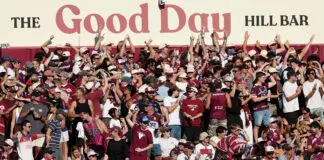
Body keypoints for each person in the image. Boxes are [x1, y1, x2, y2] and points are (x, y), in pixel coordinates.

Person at [19, 90, 49, 159]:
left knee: (38, 150)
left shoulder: (44, 107)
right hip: (29, 133)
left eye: (39, 95)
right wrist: (29, 111)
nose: (39, 97)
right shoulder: (27, 105)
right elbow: (21, 116)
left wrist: (40, 117)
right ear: (32, 97)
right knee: (29, 151)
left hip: (40, 132)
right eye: (37, 96)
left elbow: (47, 119)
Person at [251, 72, 277, 143]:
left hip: (266, 108)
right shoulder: (254, 88)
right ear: (258, 78)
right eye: (263, 77)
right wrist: (266, 96)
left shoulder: (265, 85)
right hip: (258, 109)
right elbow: (255, 99)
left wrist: (270, 75)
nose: (264, 79)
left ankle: (265, 138)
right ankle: (256, 141)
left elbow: (274, 82)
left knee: (267, 125)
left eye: (265, 77)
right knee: (257, 126)